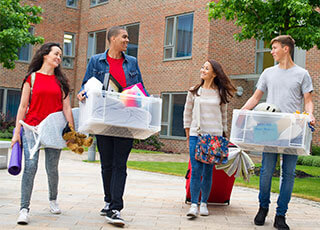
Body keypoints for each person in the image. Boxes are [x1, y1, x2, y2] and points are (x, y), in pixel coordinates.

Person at [241, 35, 315, 230]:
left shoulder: (302, 74)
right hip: (271, 127)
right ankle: (263, 208)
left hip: (293, 128)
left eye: (274, 48)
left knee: (288, 174)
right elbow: (256, 97)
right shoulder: (267, 73)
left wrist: (310, 115)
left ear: (286, 49)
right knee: (265, 171)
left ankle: (281, 215)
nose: (271, 51)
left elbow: (308, 100)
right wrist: (242, 113)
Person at [77, 26, 148, 227]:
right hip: (104, 120)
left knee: (120, 164)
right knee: (106, 164)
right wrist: (82, 93)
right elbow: (86, 84)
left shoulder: (132, 62)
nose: (127, 40)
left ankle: (116, 207)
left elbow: (139, 86)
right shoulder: (96, 61)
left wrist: (146, 102)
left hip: (126, 120)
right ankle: (108, 200)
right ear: (113, 38)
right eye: (124, 37)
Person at [11, 42, 74, 225]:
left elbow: (67, 107)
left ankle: (53, 199)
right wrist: (17, 133)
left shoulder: (61, 82)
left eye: (60, 56)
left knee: (52, 168)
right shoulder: (31, 78)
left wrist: (71, 131)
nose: (59, 58)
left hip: (53, 130)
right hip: (31, 128)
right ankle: (24, 209)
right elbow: (23, 107)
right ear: (45, 55)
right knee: (30, 168)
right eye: (56, 54)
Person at [183, 60, 235, 218]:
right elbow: (187, 114)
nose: (203, 70)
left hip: (214, 137)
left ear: (214, 73)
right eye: (202, 67)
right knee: (196, 170)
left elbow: (224, 116)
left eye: (207, 68)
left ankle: (204, 203)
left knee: (207, 171)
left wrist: (225, 137)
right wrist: (188, 136)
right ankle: (193, 205)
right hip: (196, 135)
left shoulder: (220, 92)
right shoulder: (194, 91)